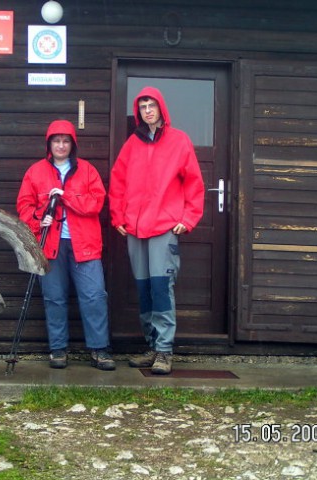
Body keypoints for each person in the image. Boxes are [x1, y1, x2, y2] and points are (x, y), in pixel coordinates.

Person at [109, 86, 205, 374]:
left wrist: (188, 219)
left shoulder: (179, 141)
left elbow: (194, 184)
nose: (147, 110)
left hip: (163, 227)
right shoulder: (132, 144)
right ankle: (152, 346)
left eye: (151, 105)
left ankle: (165, 351)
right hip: (135, 229)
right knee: (144, 289)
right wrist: (118, 218)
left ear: (161, 108)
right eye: (142, 106)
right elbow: (118, 182)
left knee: (162, 288)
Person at [17, 119, 115, 371]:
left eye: (66, 141)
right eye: (56, 140)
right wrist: (41, 217)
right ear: (49, 144)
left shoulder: (88, 170)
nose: (61, 145)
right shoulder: (35, 172)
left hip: (85, 244)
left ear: (73, 144)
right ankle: (58, 349)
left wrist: (66, 196)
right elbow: (24, 208)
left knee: (94, 296)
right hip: (50, 245)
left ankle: (99, 350)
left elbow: (96, 203)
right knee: (54, 298)